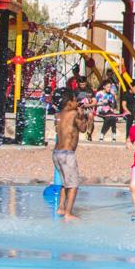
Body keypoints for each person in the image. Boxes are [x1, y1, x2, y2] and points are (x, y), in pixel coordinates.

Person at [53, 91, 93, 220]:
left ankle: (61, 207)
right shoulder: (74, 113)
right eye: (75, 100)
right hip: (67, 154)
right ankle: (68, 213)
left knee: (65, 183)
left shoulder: (58, 115)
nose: (77, 103)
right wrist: (85, 117)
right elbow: (83, 129)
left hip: (56, 154)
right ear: (69, 102)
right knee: (74, 185)